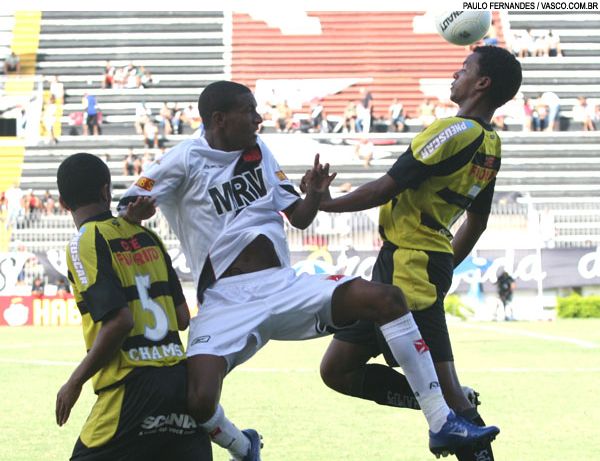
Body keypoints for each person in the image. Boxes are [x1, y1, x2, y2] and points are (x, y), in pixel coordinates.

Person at [118, 80, 499, 460]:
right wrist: (137, 212)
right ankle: (243, 446)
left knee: (387, 299)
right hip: (225, 300)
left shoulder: (258, 152)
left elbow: (299, 217)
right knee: (198, 400)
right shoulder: (183, 158)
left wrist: (315, 195)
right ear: (219, 119)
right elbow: (129, 204)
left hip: (281, 285)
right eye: (249, 111)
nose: (259, 118)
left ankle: (440, 419)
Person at [308, 46, 522, 461]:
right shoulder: (491, 145)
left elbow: (384, 188)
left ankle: (451, 408)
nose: (455, 75)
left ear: (482, 83)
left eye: (464, 68)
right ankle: (437, 403)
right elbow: (476, 222)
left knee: (451, 397)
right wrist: (442, 266)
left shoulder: (451, 131)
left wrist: (323, 204)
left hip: (410, 268)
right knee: (336, 370)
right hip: (410, 263)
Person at [54, 153, 212, 461]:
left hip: (132, 390)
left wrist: (74, 383)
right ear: (106, 191)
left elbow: (119, 322)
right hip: (180, 388)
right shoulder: (147, 235)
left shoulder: (84, 241)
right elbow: (182, 318)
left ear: (62, 202)